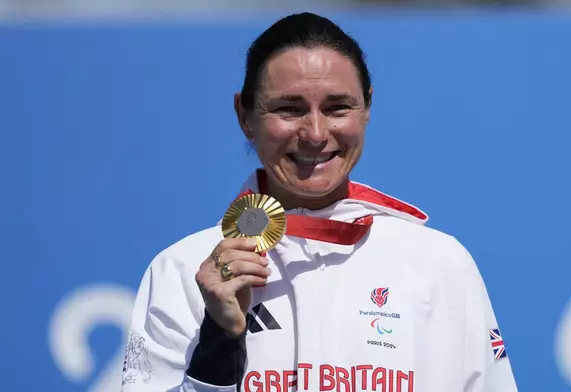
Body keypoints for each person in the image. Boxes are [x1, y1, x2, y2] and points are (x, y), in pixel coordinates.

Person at [121, 12, 518, 392]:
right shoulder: (183, 270)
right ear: (245, 115)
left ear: (367, 108)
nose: (314, 133)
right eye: (289, 109)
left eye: (337, 107)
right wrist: (219, 341)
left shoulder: (441, 265)